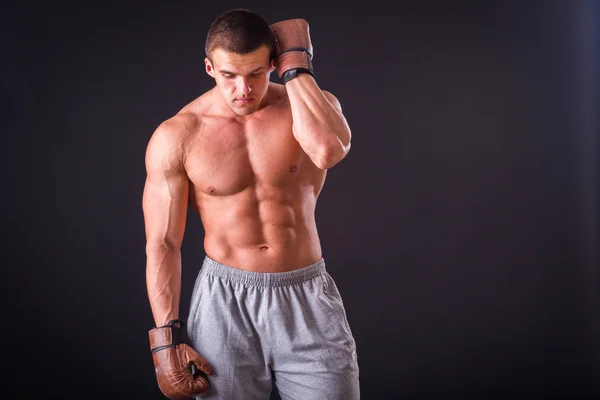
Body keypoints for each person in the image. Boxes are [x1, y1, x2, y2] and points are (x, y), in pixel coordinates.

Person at [142, 8, 359, 400]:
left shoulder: (307, 108)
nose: (243, 89)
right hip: (224, 304)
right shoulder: (179, 135)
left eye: (256, 73)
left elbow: (328, 150)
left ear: (273, 65)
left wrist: (298, 68)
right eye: (229, 75)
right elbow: (162, 243)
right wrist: (164, 341)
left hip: (306, 295)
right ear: (209, 68)